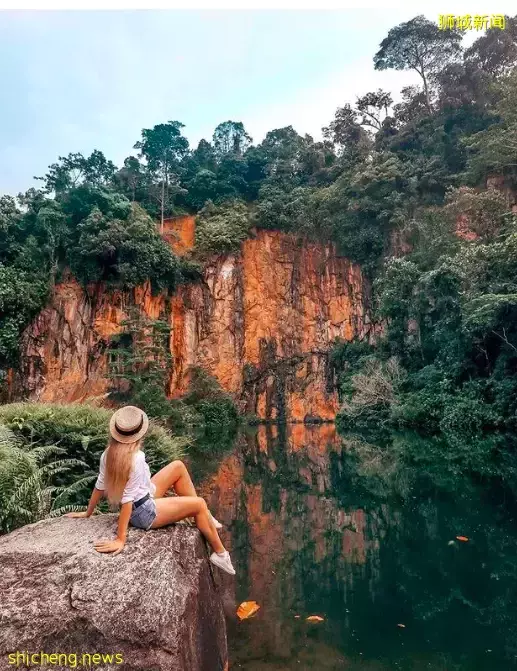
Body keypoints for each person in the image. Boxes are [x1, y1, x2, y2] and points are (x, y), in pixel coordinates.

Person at [65, 405, 235, 575]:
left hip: (143, 497)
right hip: (144, 512)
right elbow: (127, 500)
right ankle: (220, 553)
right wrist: (120, 538)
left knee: (178, 466)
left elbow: (99, 485)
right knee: (199, 504)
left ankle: (208, 518)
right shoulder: (136, 459)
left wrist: (88, 512)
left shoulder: (108, 453)